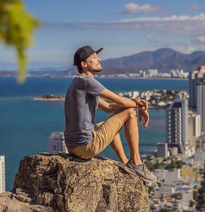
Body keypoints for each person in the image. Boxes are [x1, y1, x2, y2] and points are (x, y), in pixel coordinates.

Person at [64, 45, 157, 182]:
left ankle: (125, 163)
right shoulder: (87, 81)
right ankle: (137, 163)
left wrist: (133, 102)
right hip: (85, 147)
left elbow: (108, 107)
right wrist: (139, 106)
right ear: (84, 64)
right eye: (94, 57)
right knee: (130, 112)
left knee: (106, 124)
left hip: (73, 147)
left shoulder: (78, 82)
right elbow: (120, 101)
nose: (99, 59)